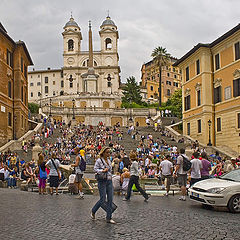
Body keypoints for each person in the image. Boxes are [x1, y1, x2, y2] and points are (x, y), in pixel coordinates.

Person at [91, 147, 115, 224]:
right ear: (103, 153)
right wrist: (102, 170)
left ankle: (109, 217)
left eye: (109, 152)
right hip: (102, 180)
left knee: (110, 198)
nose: (108, 154)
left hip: (109, 180)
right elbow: (95, 169)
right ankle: (93, 210)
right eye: (107, 152)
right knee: (103, 199)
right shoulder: (99, 160)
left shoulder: (108, 160)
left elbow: (110, 170)